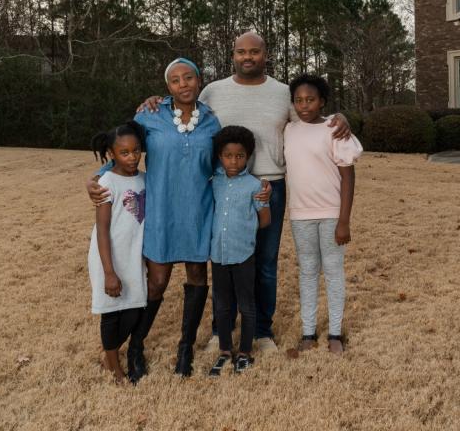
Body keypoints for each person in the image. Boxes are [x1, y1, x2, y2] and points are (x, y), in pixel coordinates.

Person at [141, 32, 351, 353]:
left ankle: (262, 332)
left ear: (265, 55)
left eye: (254, 52)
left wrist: (340, 118)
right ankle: (219, 331)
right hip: (223, 187)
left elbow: (311, 122)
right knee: (223, 261)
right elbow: (183, 108)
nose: (247, 57)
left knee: (264, 262)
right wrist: (154, 100)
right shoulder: (213, 91)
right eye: (241, 52)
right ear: (233, 55)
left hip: (270, 185)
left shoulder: (283, 93)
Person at [88, 58, 221, 381]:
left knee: (197, 277)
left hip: (198, 210)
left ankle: (185, 347)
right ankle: (136, 345)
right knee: (158, 281)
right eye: (175, 80)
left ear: (199, 80)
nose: (183, 84)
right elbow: (122, 147)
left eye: (188, 77)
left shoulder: (211, 121)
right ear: (167, 87)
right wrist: (99, 175)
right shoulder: (149, 115)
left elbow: (220, 163)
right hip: (161, 210)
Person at [284, 74, 362, 354]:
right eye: (299, 100)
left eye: (311, 100)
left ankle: (335, 334)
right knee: (307, 272)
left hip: (331, 215)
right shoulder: (289, 130)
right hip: (300, 215)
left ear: (322, 102)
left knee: (332, 271)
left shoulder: (335, 129)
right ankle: (307, 332)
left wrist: (344, 220)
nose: (304, 105)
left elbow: (348, 177)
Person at [207, 126, 271, 375]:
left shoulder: (255, 185)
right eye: (228, 155)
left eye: (240, 155)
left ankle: (244, 351)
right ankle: (225, 349)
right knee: (222, 304)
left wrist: (263, 202)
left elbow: (265, 221)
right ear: (220, 156)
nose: (233, 161)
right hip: (219, 254)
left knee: (247, 304)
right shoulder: (214, 182)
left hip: (244, 253)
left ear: (248, 156)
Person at [87, 121, 147, 381]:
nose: (132, 157)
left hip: (133, 256)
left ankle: (109, 353)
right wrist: (109, 272)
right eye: (124, 152)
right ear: (111, 154)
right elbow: (102, 230)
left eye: (136, 151)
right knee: (111, 313)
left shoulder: (144, 179)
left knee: (134, 309)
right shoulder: (107, 182)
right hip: (109, 257)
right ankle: (113, 365)